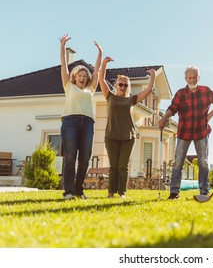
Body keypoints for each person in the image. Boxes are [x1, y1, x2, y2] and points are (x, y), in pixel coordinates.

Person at [159, 66, 213, 199]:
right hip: (184, 132)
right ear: (185, 79)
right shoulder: (180, 94)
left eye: (195, 77)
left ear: (198, 78)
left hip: (201, 131)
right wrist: (164, 118)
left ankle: (204, 191)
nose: (192, 79)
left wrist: (210, 115)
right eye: (190, 77)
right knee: (178, 162)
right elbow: (172, 108)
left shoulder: (206, 91)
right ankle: (174, 192)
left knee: (203, 162)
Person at [99, 56, 156, 198]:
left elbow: (148, 90)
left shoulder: (132, 99)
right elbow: (101, 80)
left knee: (123, 166)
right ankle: (111, 193)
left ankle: (122, 193)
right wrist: (104, 64)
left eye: (125, 85)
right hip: (111, 136)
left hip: (128, 137)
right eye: (120, 85)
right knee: (113, 166)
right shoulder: (110, 97)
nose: (123, 87)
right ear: (116, 85)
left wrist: (153, 76)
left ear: (128, 87)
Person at [60, 34, 102, 200]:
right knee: (70, 156)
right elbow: (64, 65)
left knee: (85, 157)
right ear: (74, 77)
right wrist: (63, 47)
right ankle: (68, 191)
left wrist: (100, 52)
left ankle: (78, 190)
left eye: (85, 76)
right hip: (70, 122)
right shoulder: (68, 86)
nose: (83, 78)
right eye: (80, 75)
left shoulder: (90, 89)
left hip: (87, 124)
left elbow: (97, 70)